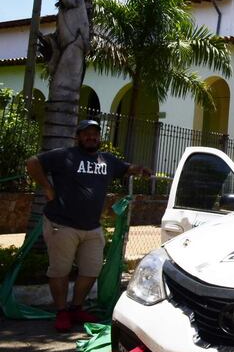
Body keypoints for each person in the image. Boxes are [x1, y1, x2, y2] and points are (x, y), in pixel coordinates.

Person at [25, 120, 151, 332]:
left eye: (95, 134)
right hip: (61, 224)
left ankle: (76, 307)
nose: (91, 137)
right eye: (86, 134)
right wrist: (47, 188)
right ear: (78, 137)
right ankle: (62, 311)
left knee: (91, 269)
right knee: (59, 271)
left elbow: (127, 168)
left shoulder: (107, 160)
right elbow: (32, 162)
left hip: (92, 227)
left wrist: (140, 170)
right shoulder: (65, 155)